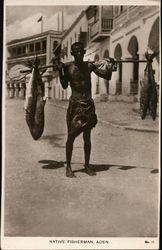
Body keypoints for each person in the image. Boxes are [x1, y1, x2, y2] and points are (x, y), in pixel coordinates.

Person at [57, 42, 114, 178]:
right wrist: (60, 71)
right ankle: (69, 167)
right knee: (71, 137)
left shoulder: (89, 66)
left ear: (83, 53)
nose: (78, 54)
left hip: (87, 105)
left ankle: (87, 166)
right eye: (75, 52)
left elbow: (106, 76)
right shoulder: (69, 68)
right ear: (72, 54)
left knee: (87, 138)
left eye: (80, 52)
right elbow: (64, 85)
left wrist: (111, 66)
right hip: (75, 106)